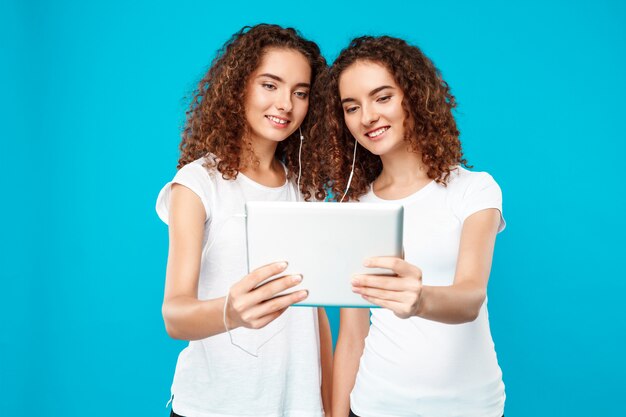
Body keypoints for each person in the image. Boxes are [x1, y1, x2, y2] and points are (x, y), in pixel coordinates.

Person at [319, 36, 506, 417]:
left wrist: (418, 299)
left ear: (414, 98)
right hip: (375, 405)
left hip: (470, 407)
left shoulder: (474, 190)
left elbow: (470, 297)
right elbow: (353, 337)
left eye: (382, 97)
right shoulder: (354, 207)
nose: (367, 116)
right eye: (351, 107)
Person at [155, 24, 332, 417]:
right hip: (215, 405)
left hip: (299, 407)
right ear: (239, 88)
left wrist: (331, 407)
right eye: (270, 85)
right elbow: (175, 315)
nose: (285, 103)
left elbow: (315, 312)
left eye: (300, 92)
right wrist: (231, 312)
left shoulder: (304, 188)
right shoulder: (198, 184)